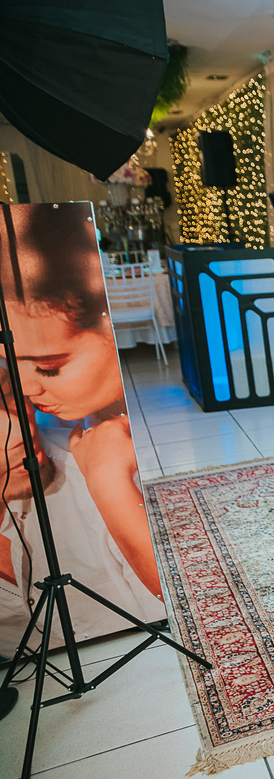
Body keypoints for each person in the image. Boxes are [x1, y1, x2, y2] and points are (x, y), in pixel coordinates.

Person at [0, 204, 162, 643]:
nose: (27, 391)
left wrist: (109, 483)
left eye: (48, 367)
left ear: (111, 330)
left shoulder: (102, 452)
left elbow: (188, 596)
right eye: (11, 366)